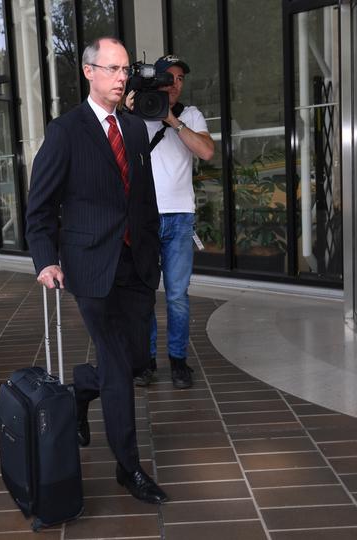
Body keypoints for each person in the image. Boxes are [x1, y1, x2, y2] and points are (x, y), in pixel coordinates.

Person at [25, 37, 168, 505]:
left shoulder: (134, 128)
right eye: (113, 69)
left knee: (135, 363)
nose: (123, 77)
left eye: (126, 69)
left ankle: (82, 389)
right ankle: (129, 467)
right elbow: (40, 204)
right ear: (89, 72)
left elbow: (143, 200)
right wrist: (46, 258)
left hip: (137, 265)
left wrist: (155, 255)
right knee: (118, 368)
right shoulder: (66, 131)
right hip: (90, 267)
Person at [126, 55, 215, 389]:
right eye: (170, 77)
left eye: (181, 79)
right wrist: (128, 109)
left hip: (179, 218)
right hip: (144, 217)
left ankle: (178, 361)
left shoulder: (189, 114)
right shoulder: (135, 113)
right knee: (145, 293)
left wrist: (171, 120)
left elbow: (207, 152)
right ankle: (145, 361)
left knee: (177, 295)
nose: (176, 84)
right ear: (156, 79)